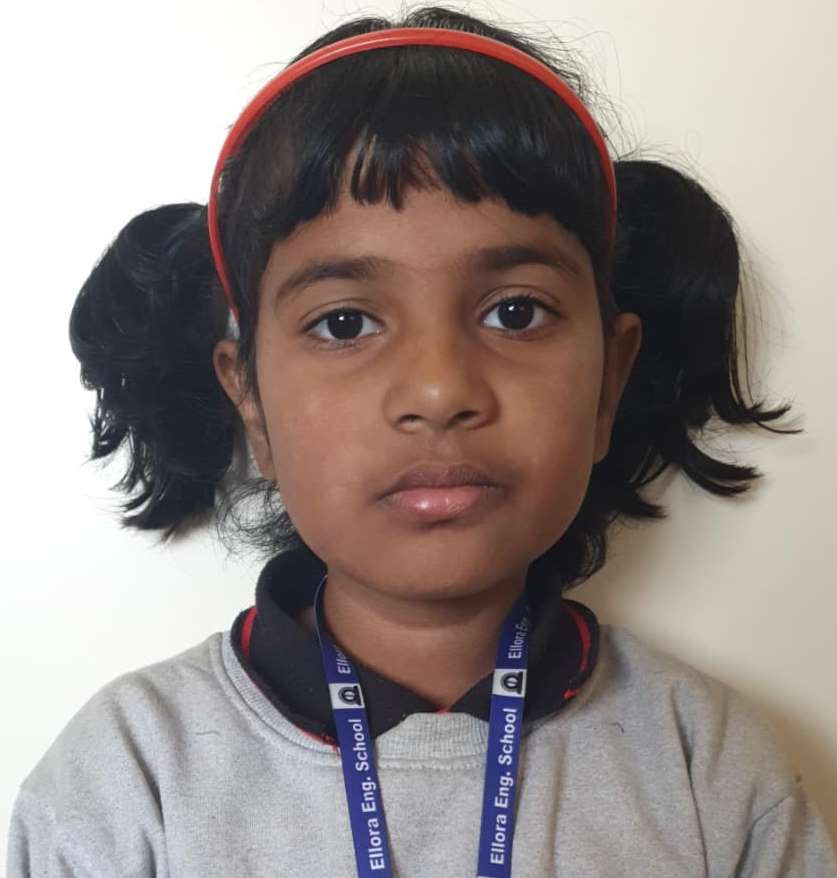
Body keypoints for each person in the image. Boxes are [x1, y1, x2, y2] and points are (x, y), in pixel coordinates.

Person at [7, 6, 836, 877]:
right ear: (250, 400)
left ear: (608, 382)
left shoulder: (708, 768)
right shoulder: (124, 781)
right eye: (344, 323)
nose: (439, 391)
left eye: (514, 312)